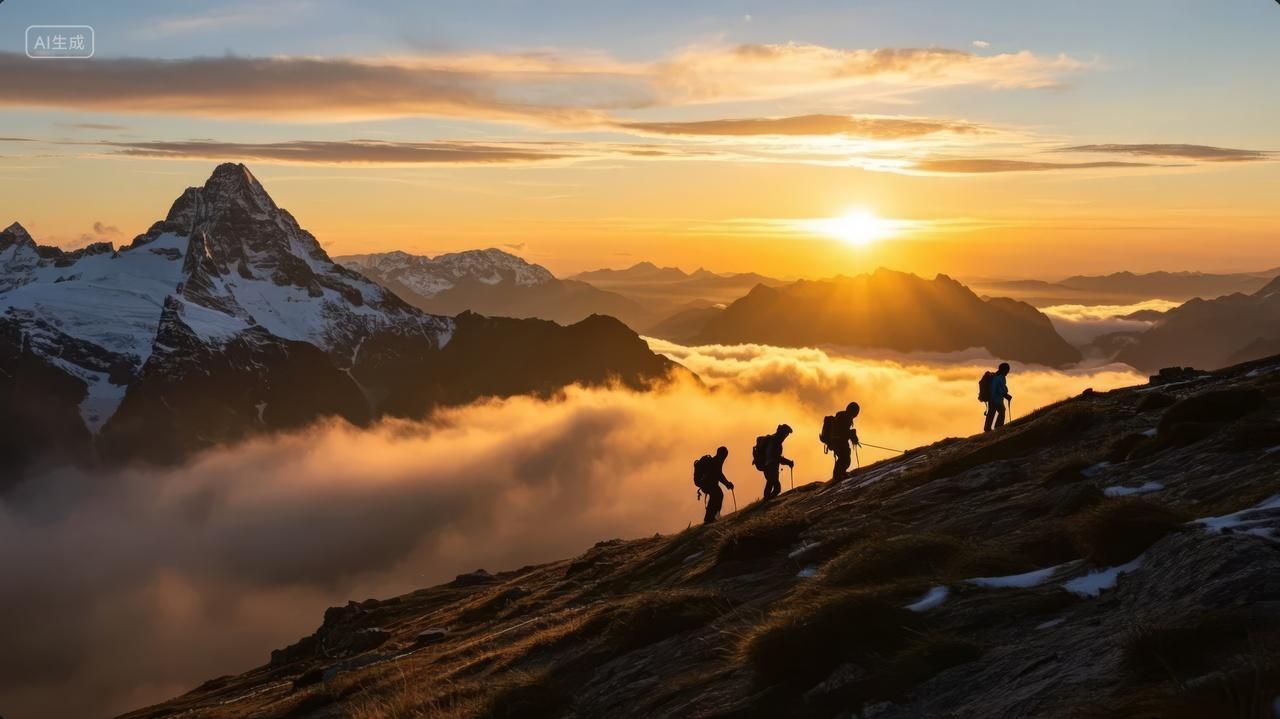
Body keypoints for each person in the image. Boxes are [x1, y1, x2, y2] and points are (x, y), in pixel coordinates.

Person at [694, 446, 734, 524]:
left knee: (717, 495)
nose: (724, 458)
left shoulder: (715, 461)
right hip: (707, 484)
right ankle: (710, 518)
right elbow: (719, 475)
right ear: (722, 455)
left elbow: (719, 475)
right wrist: (727, 484)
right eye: (725, 456)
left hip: (706, 484)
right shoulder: (716, 462)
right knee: (717, 495)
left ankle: (712, 517)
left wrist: (727, 484)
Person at [825, 402, 861, 481]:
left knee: (844, 458)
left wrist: (851, 435)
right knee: (844, 459)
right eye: (856, 412)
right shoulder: (844, 417)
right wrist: (852, 435)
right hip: (838, 441)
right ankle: (838, 476)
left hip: (839, 442)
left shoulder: (844, 416)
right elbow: (842, 431)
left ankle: (840, 474)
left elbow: (844, 431)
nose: (856, 414)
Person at [760, 424, 794, 500]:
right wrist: (788, 462)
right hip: (771, 467)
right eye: (786, 434)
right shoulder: (776, 442)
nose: (786, 436)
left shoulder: (773, 439)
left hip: (767, 467)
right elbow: (777, 457)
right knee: (777, 488)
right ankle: (766, 503)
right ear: (782, 433)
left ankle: (765, 502)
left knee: (770, 484)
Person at [984, 362, 1013, 432]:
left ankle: (988, 428)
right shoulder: (999, 378)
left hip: (993, 398)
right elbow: (1000, 389)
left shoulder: (998, 377)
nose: (1008, 371)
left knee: (992, 412)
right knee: (1001, 411)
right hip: (995, 399)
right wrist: (1006, 395)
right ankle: (998, 427)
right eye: (1007, 370)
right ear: (1004, 370)